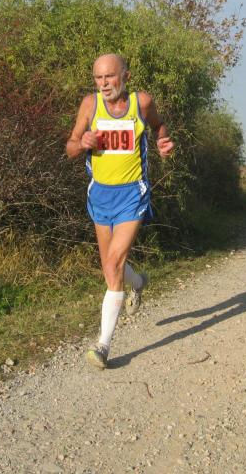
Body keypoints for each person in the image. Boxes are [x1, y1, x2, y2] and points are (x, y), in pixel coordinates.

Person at [66, 53, 174, 369]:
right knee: (110, 268)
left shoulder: (141, 103)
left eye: (110, 77)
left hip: (132, 194)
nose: (104, 84)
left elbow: (159, 126)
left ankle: (102, 345)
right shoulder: (90, 105)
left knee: (114, 262)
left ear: (125, 76)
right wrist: (82, 143)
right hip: (100, 195)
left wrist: (163, 142)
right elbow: (70, 147)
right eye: (98, 78)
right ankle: (138, 282)